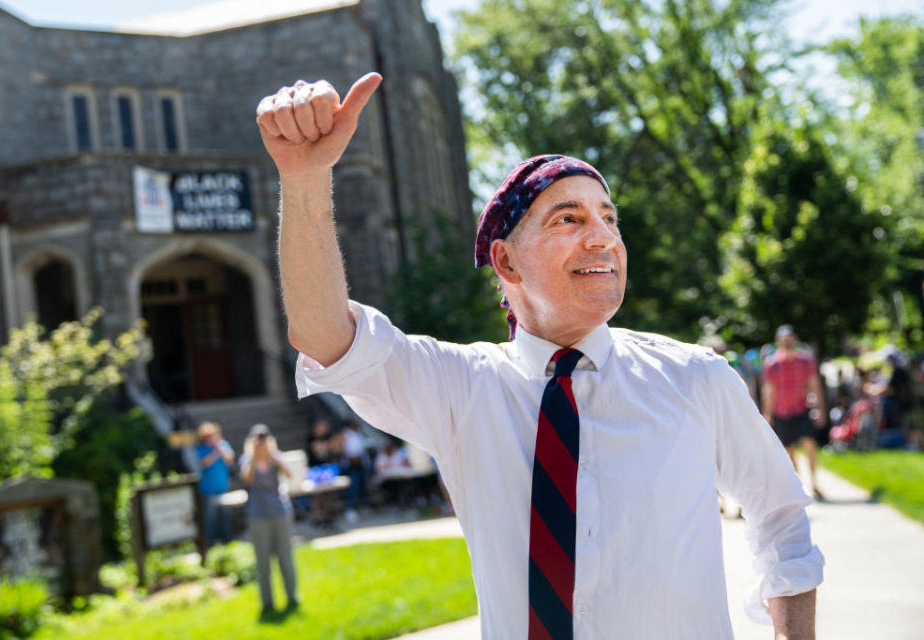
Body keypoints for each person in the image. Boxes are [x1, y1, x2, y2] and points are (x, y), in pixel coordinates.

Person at [256, 73, 822, 639]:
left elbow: (782, 517)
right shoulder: (461, 389)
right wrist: (303, 180)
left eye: (608, 217)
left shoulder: (695, 378)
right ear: (505, 263)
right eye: (569, 219)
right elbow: (326, 336)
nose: (602, 237)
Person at [761, 325, 827, 500]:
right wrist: (767, 414)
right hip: (782, 412)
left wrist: (820, 408)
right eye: (784, 340)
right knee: (790, 451)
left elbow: (814, 385)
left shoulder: (805, 361)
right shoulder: (772, 364)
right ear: (779, 342)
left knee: (809, 443)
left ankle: (815, 484)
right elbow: (769, 390)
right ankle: (798, 487)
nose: (787, 342)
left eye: (790, 339)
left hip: (801, 409)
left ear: (795, 340)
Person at [239, 423, 299, 615]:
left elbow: (290, 475)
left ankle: (292, 596)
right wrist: (254, 457)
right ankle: (267, 602)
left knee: (285, 557)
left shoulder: (276, 456)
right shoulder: (247, 459)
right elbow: (246, 480)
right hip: (258, 514)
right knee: (263, 561)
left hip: (279, 511)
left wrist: (273, 456)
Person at [195, 421, 235, 546]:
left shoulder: (224, 445)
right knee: (210, 519)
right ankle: (209, 544)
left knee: (225, 516)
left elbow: (230, 460)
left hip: (223, 487)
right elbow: (204, 463)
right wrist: (215, 452)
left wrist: (219, 449)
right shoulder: (201, 449)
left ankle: (227, 541)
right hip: (208, 489)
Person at [338, 418, 368, 522]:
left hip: (361, 464)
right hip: (351, 465)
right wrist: (350, 458)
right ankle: (350, 509)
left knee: (361, 487)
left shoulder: (358, 433)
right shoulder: (344, 434)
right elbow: (341, 449)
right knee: (352, 488)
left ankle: (360, 507)